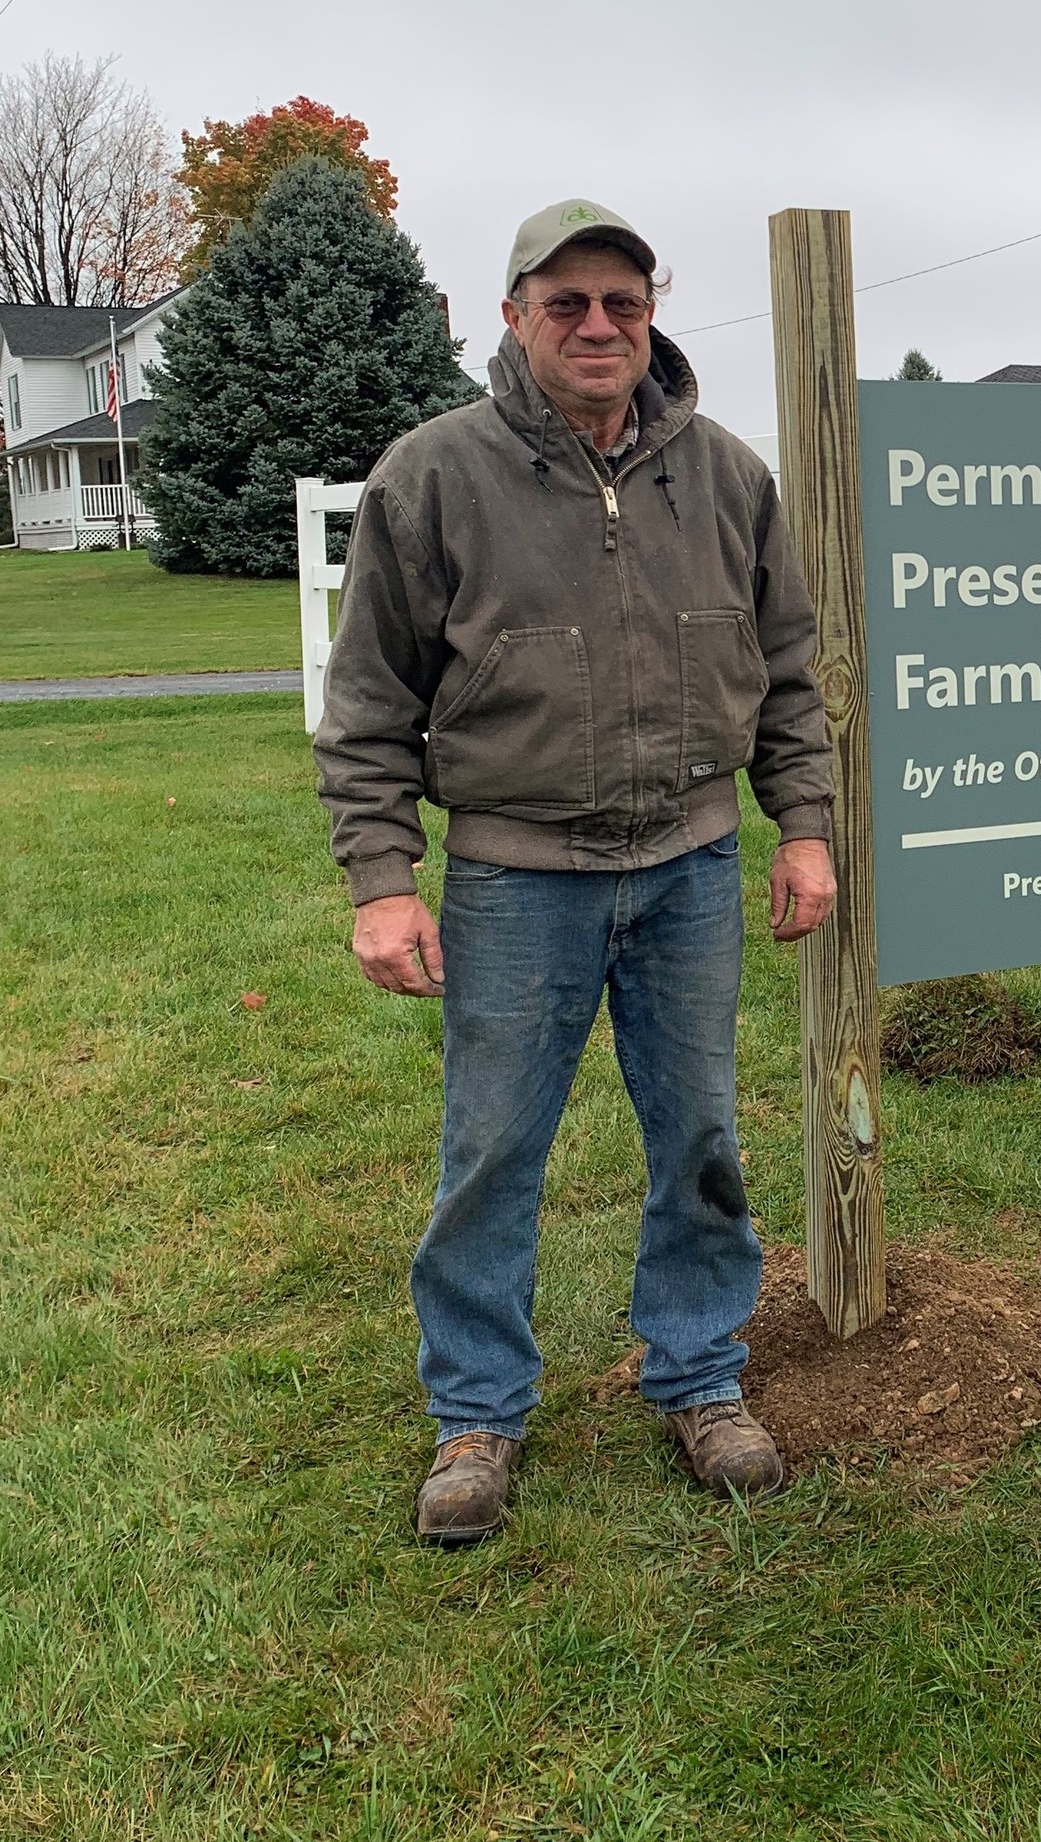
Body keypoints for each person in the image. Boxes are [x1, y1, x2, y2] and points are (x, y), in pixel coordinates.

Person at [314, 199, 836, 1543]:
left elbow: (784, 671)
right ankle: (476, 1415)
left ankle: (701, 1376)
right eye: (566, 304)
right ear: (513, 317)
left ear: (650, 314)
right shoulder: (431, 477)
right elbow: (369, 701)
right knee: (491, 1152)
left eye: (622, 301)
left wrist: (807, 826)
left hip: (691, 865)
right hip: (514, 880)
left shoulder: (725, 475)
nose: (597, 326)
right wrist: (383, 877)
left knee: (701, 1141)